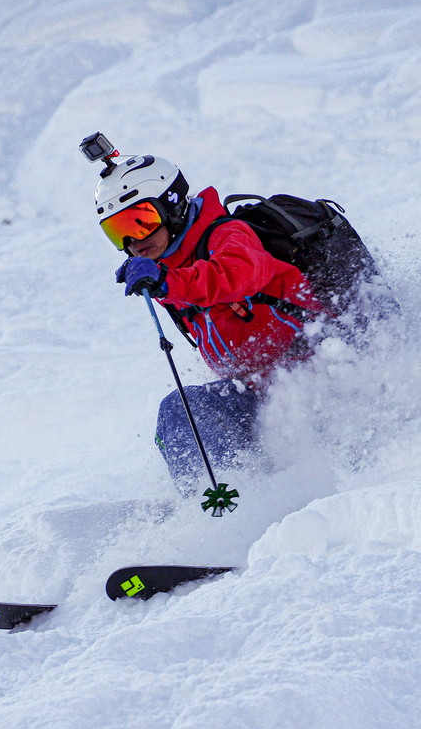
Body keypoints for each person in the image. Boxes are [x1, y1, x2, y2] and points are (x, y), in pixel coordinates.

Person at [94, 152, 322, 494]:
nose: (134, 242)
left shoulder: (228, 235)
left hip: (320, 373)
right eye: (118, 233)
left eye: (140, 221)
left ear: (171, 204)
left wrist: (166, 281)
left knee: (189, 407)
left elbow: (235, 274)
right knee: (180, 410)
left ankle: (247, 499)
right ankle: (216, 503)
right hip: (265, 396)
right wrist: (165, 281)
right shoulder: (171, 268)